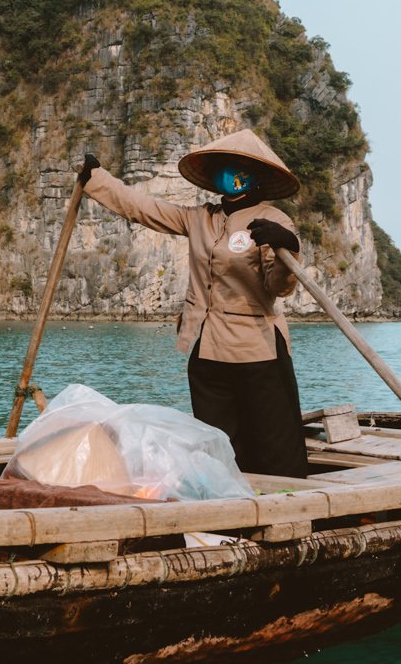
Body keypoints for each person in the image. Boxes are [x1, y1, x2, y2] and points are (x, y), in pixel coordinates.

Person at [78, 129, 310, 478]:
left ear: (256, 175)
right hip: (208, 350)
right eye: (225, 167)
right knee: (216, 443)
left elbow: (279, 288)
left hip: (258, 350)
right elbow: (143, 208)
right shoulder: (201, 218)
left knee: (273, 440)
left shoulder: (273, 221)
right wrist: (97, 180)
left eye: (238, 167)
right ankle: (222, 509)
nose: (229, 174)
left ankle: (287, 505)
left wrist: (286, 247)